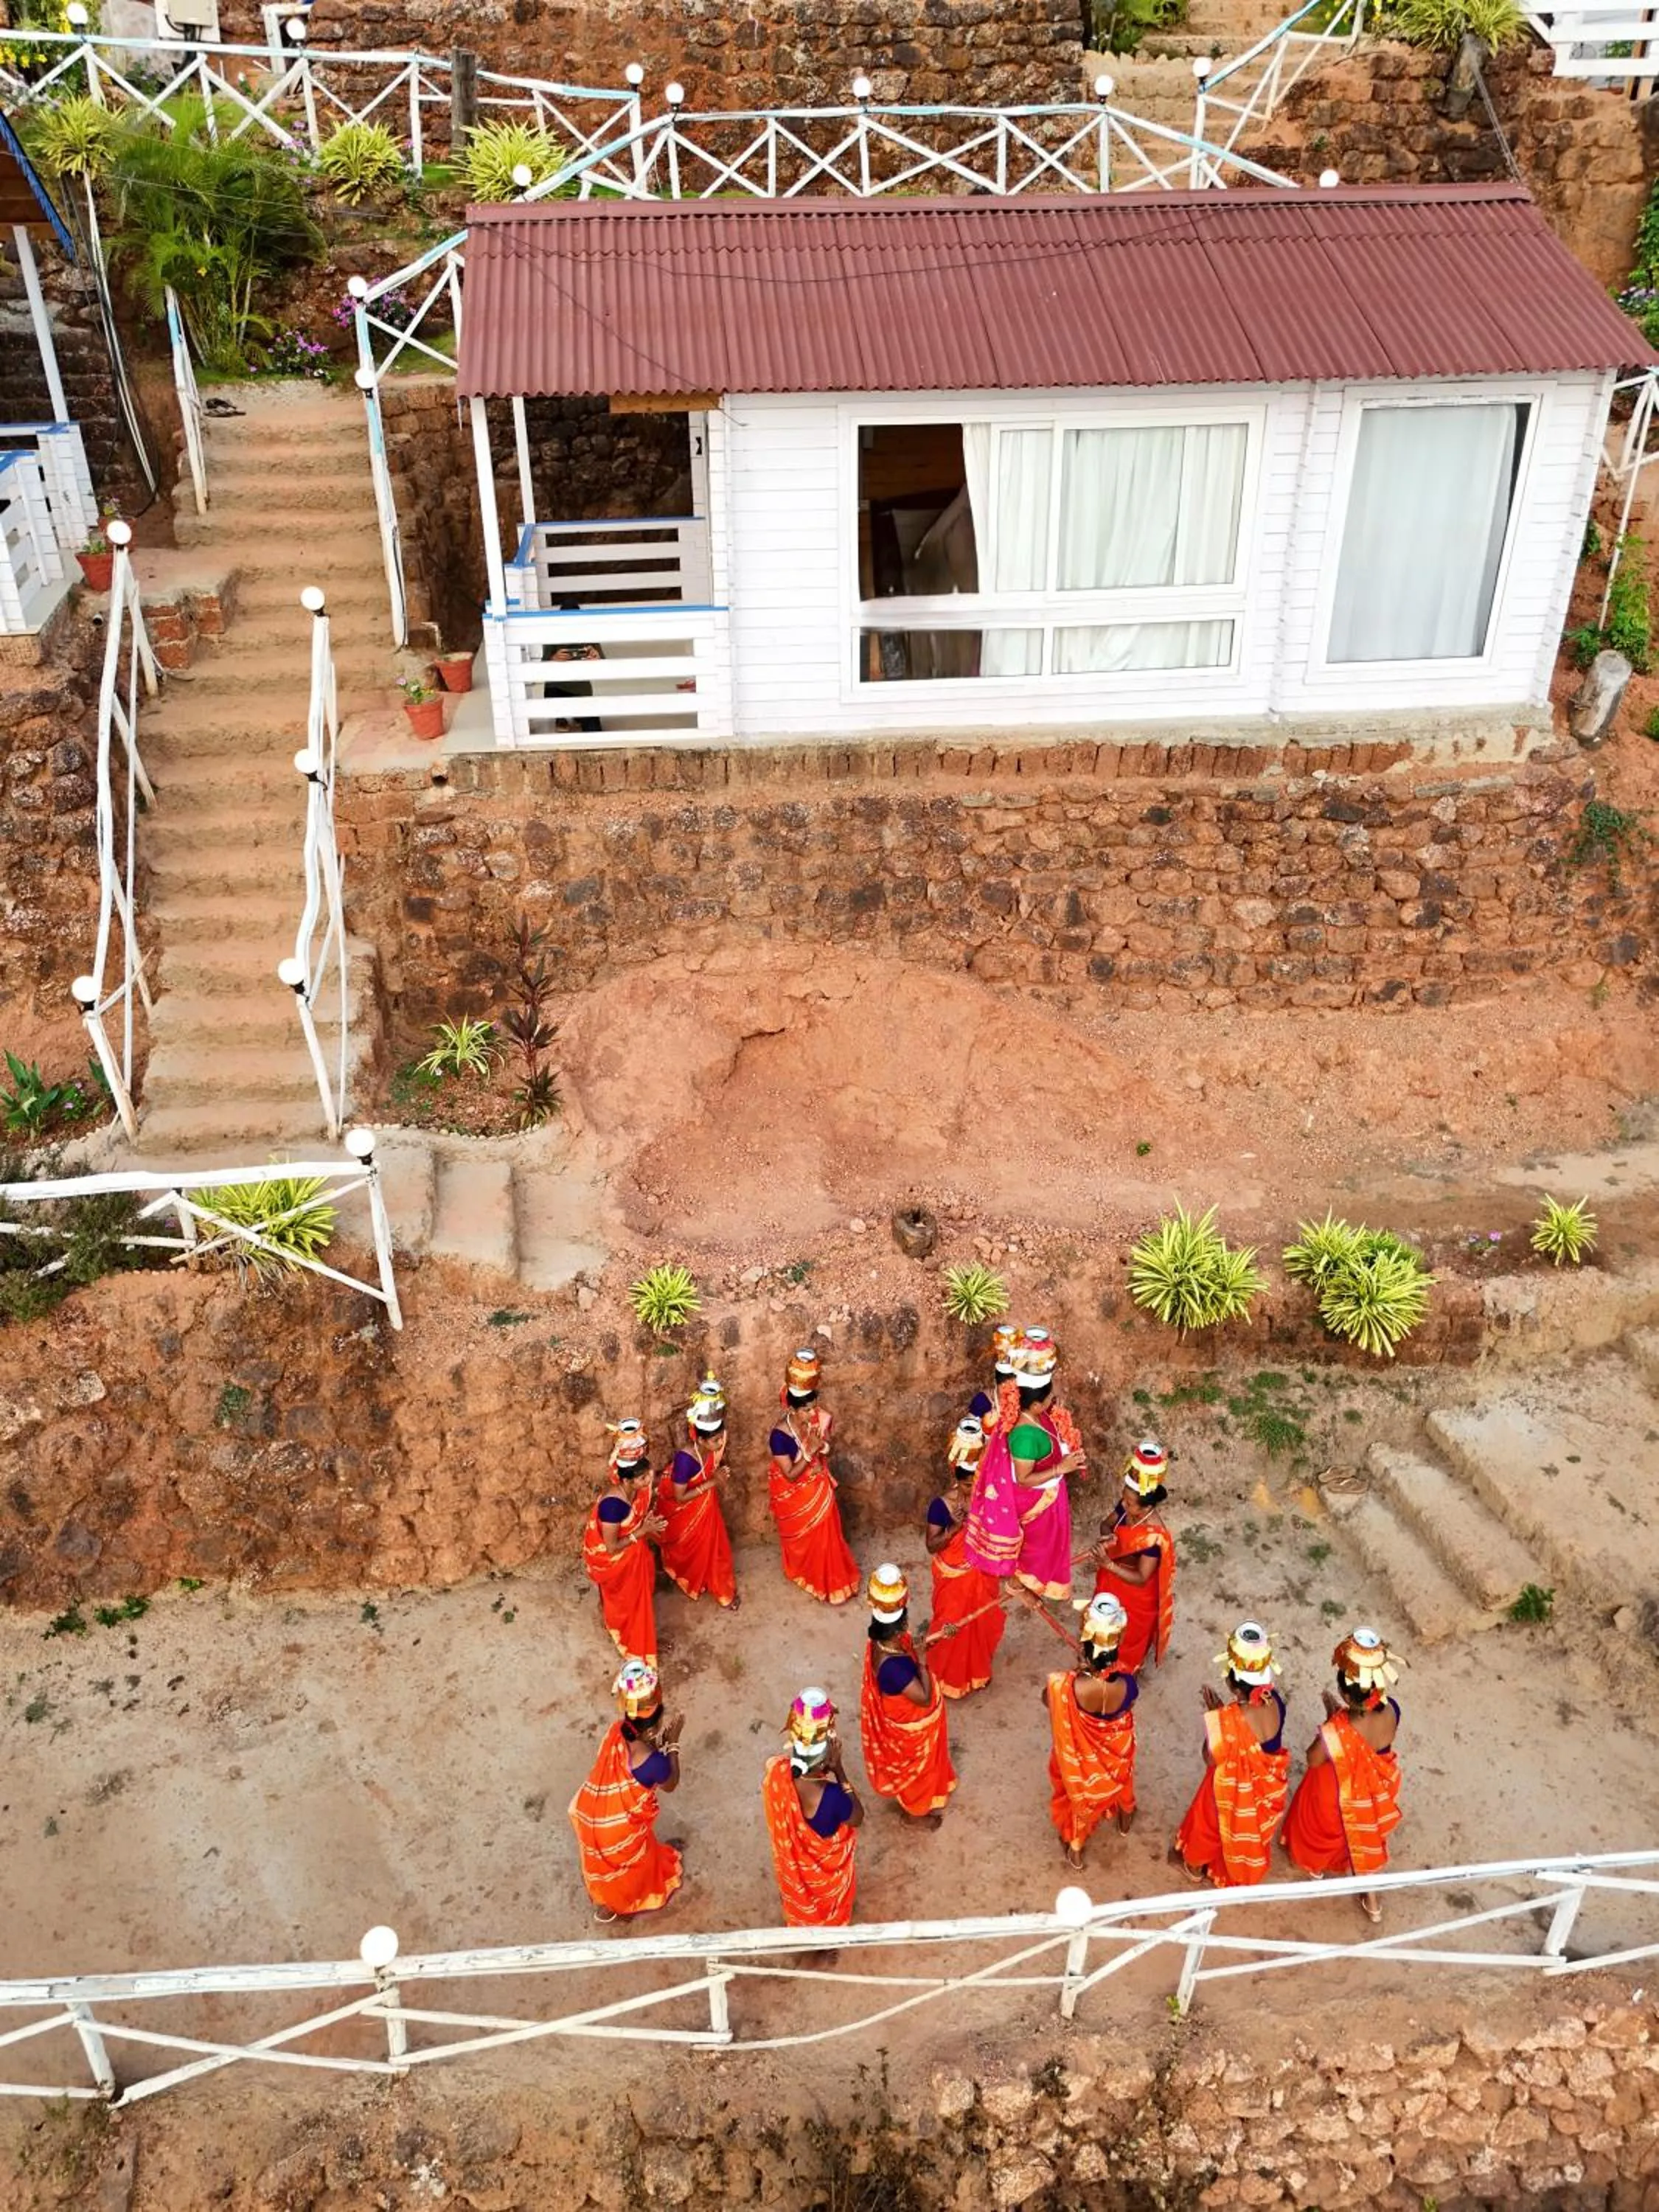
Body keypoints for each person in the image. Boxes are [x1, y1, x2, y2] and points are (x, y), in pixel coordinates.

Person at [1282, 1627, 1404, 1924]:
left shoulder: (1335, 1730)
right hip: (1373, 1789)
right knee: (1361, 1836)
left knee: (1322, 1829)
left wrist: (1331, 1722)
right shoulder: (1393, 1710)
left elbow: (1313, 1760)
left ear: (1345, 1694)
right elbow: (1370, 1741)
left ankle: (1315, 1869)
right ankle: (1371, 1901)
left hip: (1338, 1794)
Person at [964, 1330, 1085, 1601]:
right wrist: (1061, 1469)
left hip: (1048, 1488)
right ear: (1037, 1404)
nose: (1055, 1397)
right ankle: (1021, 1581)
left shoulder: (1034, 1417)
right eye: (1050, 1395)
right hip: (1035, 1498)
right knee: (1041, 1546)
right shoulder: (1026, 1437)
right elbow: (1024, 1479)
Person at [1172, 1621, 1291, 1888]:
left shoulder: (1229, 1719)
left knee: (1210, 1824)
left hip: (1231, 1788)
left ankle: (1193, 1867)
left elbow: (1210, 1758)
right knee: (1239, 1829)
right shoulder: (1276, 1701)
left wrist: (1217, 1720)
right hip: (1261, 1788)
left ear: (1234, 1686)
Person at [568, 1660, 685, 1924]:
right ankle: (621, 1906)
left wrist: (656, 1743)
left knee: (613, 1865)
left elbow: (637, 1750)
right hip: (618, 1833)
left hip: (592, 1816)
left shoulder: (616, 1732)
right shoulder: (655, 1763)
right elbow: (670, 1784)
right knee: (631, 1865)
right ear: (656, 1720)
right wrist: (673, 1744)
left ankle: (607, 1906)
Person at [1045, 1593, 1138, 1870]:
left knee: (1079, 1800)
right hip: (1117, 1752)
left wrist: (1076, 1671)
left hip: (1082, 1764)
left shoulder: (1069, 1685)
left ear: (1085, 1645)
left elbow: (1047, 1700)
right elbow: (1128, 1703)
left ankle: (1075, 1849)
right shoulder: (1128, 1681)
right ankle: (1125, 1816)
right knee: (1124, 1778)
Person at [858, 1564, 957, 1824]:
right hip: (909, 1728)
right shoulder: (894, 1668)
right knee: (919, 1773)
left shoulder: (884, 1643)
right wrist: (923, 1660)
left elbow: (913, 1648)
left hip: (903, 1711)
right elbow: (923, 1697)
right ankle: (914, 1814)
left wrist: (933, 1640)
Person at [762, 1688, 863, 1927]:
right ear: (826, 1756)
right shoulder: (833, 1797)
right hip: (826, 1882)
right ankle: (825, 1942)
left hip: (796, 1876)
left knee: (806, 1907)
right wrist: (839, 1771)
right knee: (828, 1908)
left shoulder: (778, 1772)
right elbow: (857, 1817)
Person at [768, 1347, 860, 1606]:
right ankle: (808, 1574)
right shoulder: (779, 1436)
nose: (813, 1414)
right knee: (807, 1538)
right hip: (794, 1494)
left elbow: (826, 1448)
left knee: (827, 1531)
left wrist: (822, 1447)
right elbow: (790, 1475)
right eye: (807, 1410)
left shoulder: (819, 1420)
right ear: (794, 1409)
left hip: (819, 1486)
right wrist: (808, 1453)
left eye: (814, 1407)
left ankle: (832, 1579)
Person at [923, 1415, 1006, 1700]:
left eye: (978, 1482)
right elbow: (932, 1545)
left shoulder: (989, 1498)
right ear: (956, 1479)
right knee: (951, 1625)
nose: (975, 1489)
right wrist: (955, 1528)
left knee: (980, 1623)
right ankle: (946, 1677)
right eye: (969, 1485)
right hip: (953, 1579)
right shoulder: (941, 1507)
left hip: (981, 1575)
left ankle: (976, 1674)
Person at [581, 1419, 664, 1668]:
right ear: (627, 1480)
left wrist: (644, 1526)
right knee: (630, 1605)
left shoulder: (635, 1492)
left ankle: (642, 1634)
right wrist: (644, 1531)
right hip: (617, 1560)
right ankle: (636, 1645)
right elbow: (611, 1547)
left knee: (640, 1600)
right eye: (643, 1478)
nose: (649, 1479)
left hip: (634, 1555)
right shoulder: (612, 1506)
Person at [1091, 1437, 1176, 1675]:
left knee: (1128, 1636)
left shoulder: (1154, 1537)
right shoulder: (1126, 1506)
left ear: (1146, 1508)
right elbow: (1106, 1524)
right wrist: (1108, 1538)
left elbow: (1141, 1577)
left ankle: (1123, 1673)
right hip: (1113, 1576)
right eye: (1124, 1500)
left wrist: (1108, 1564)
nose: (1124, 1506)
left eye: (1130, 1504)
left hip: (1135, 1592)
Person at [657, 1377, 739, 1612]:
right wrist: (713, 1481)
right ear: (700, 1439)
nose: (720, 1442)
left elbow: (712, 1469)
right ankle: (702, 1580)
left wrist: (718, 1474)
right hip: (685, 1512)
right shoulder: (686, 1460)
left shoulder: (712, 1447)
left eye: (721, 1436)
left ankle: (719, 1585)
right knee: (702, 1548)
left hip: (705, 1507)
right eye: (715, 1440)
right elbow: (680, 1497)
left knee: (715, 1547)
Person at [967, 1322, 1025, 1433]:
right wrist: (985, 1425)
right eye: (1003, 1391)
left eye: (1012, 1391)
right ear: (995, 1383)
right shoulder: (983, 1401)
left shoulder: (1025, 1401)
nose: (1007, 1396)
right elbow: (967, 1433)